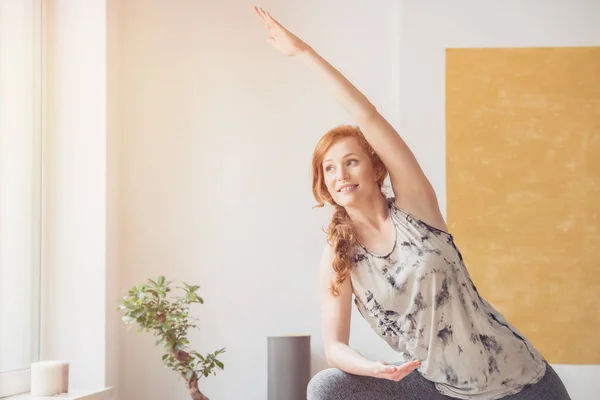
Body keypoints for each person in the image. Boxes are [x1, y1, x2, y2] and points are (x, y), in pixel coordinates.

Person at [253, 6, 572, 400]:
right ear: (324, 185)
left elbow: (365, 114)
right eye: (330, 169)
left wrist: (303, 53)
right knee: (326, 387)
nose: (341, 175)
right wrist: (375, 369)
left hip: (519, 381)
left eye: (351, 161)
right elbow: (334, 347)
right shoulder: (339, 255)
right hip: (436, 387)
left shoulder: (415, 208)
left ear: (374, 167)